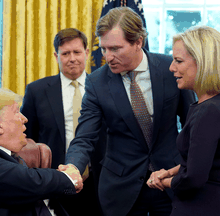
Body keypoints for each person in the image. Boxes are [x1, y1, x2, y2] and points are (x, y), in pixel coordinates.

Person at [58, 7, 196, 216]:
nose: (108, 57)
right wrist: (73, 166)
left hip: (170, 181)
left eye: (115, 48)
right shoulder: (97, 82)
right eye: (104, 49)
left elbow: (191, 123)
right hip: (122, 189)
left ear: (138, 41)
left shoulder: (171, 69)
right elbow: (85, 136)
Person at [0, 88, 83, 216]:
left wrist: (68, 183)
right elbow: (29, 182)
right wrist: (68, 178)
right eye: (17, 111)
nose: (25, 119)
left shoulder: (12, 159)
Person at [21, 28, 106, 216]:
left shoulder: (104, 88)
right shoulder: (37, 91)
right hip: (55, 180)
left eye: (77, 52)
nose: (72, 58)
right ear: (56, 55)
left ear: (86, 53)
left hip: (99, 180)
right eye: (65, 53)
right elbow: (26, 139)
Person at [147, 26, 220, 216]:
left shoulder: (209, 111)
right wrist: (169, 172)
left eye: (178, 61)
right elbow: (202, 158)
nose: (172, 67)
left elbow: (194, 177)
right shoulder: (209, 104)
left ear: (203, 63)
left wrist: (161, 182)